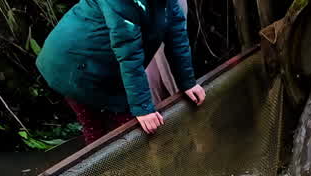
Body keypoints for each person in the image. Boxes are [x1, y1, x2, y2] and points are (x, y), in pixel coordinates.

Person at [37, 0, 206, 146]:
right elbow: (129, 52)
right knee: (107, 130)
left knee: (129, 126)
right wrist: (143, 109)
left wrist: (188, 83)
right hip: (72, 64)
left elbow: (176, 32)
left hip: (104, 61)